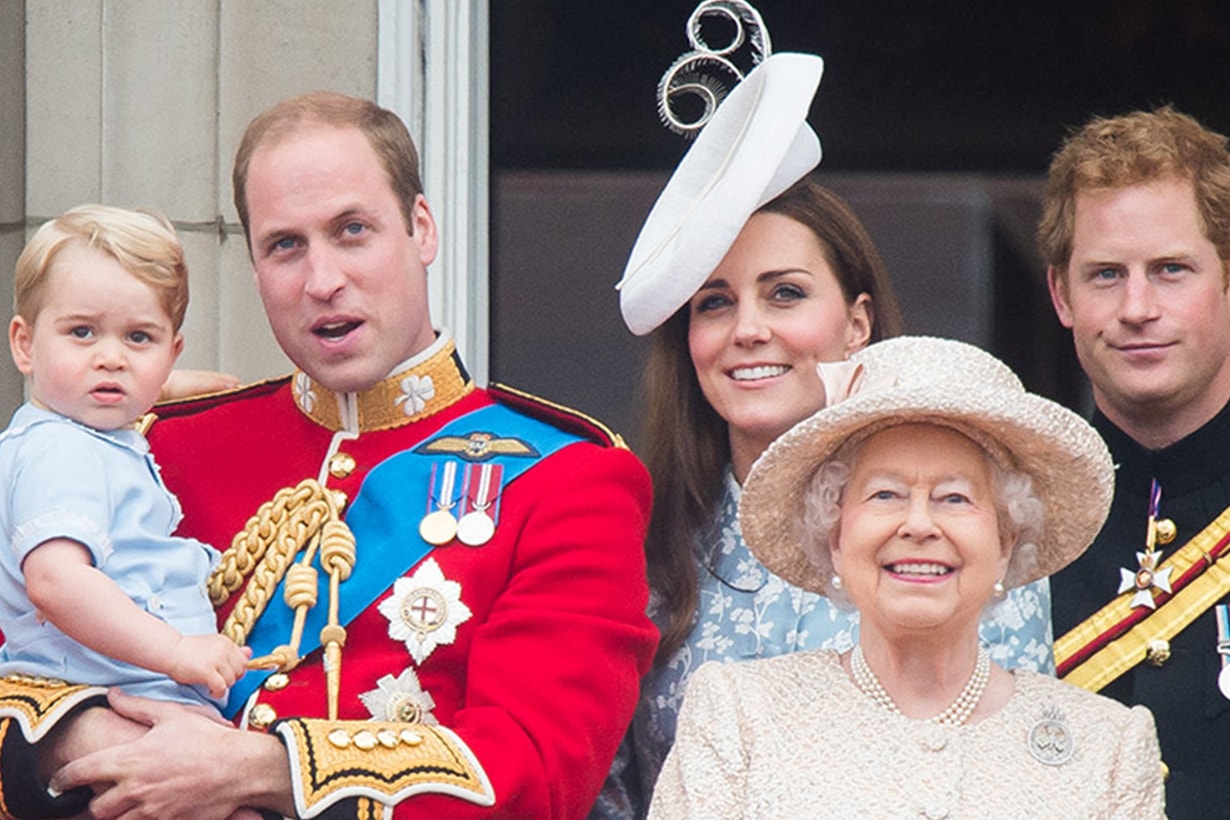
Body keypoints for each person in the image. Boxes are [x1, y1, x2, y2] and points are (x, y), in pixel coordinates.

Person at [0, 92, 656, 819]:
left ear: (422, 228)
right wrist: (80, 735)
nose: (322, 281)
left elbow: (536, 769)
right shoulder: (161, 445)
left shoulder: (568, 477)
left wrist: (261, 770)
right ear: (254, 268)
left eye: (352, 230)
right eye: (286, 245)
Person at [596, 53, 1055, 818]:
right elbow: (604, 798)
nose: (748, 330)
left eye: (785, 294)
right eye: (714, 304)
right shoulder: (638, 548)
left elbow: (1022, 777)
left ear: (857, 325)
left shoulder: (964, 525)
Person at [650, 335, 1165, 818]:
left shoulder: (1108, 747)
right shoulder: (740, 717)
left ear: (1006, 542)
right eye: (886, 495)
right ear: (835, 534)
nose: (919, 524)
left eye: (954, 498)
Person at [1042, 106, 1230, 818]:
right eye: (1106, 275)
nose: (1137, 307)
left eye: (1171, 270)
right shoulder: (1009, 517)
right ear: (1062, 294)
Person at [0, 205, 250, 710]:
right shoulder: (61, 450)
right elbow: (56, 580)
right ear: (24, 346)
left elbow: (105, 381)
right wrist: (175, 650)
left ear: (171, 353)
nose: (111, 358)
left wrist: (160, 386)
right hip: (118, 698)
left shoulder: (83, 430)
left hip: (129, 686)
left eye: (139, 338)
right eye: (82, 333)